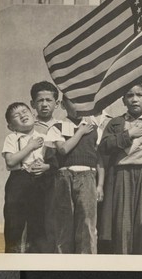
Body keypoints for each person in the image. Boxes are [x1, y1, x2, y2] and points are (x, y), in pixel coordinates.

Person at [98, 82, 142, 255]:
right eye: (130, 95)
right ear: (123, 100)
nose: (134, 99)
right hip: (122, 174)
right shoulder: (115, 123)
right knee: (122, 224)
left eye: (139, 95)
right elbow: (104, 146)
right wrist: (129, 134)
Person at [45, 95, 105, 254]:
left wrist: (100, 185)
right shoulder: (57, 126)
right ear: (63, 105)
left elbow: (100, 160)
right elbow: (63, 149)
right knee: (64, 223)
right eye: (74, 101)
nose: (79, 105)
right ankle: (64, 265)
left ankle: (87, 265)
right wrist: (80, 132)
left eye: (82, 101)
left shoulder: (94, 128)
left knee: (87, 223)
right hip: (64, 177)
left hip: (88, 176)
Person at [1, 102, 50, 253]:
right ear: (11, 126)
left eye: (24, 111)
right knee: (14, 224)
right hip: (18, 181)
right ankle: (11, 258)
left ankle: (34, 260)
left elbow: (53, 161)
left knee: (38, 224)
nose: (22, 115)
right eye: (16, 115)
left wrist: (46, 167)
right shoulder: (12, 137)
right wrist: (30, 146)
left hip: (40, 182)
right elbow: (10, 161)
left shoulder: (45, 137)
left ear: (34, 116)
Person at [29, 81, 61, 252]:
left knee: (53, 221)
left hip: (54, 179)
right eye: (40, 100)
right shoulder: (27, 126)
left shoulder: (63, 126)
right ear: (32, 104)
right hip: (32, 179)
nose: (44, 104)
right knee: (34, 221)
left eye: (49, 100)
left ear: (57, 103)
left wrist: (48, 167)